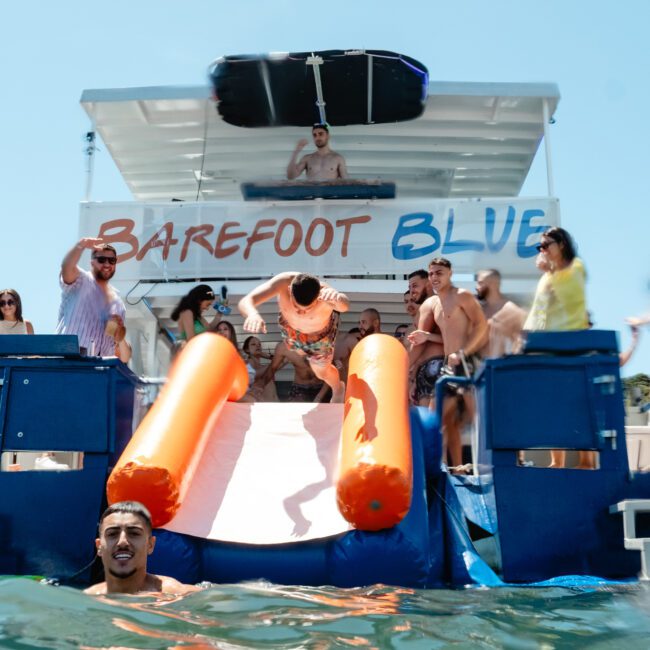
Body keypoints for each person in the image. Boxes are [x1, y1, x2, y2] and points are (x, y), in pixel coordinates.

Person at [409, 258, 488, 470]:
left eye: (440, 273)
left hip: (468, 360)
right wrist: (427, 337)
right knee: (437, 417)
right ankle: (440, 467)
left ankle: (487, 465)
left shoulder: (461, 295)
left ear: (450, 273)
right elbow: (446, 337)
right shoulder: (434, 304)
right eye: (432, 273)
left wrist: (464, 352)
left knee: (478, 416)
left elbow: (482, 327)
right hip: (448, 364)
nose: (435, 277)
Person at [524, 227, 589, 468]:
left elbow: (572, 300)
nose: (542, 251)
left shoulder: (575, 268)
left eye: (545, 245)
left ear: (561, 244)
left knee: (574, 408)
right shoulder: (548, 275)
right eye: (538, 247)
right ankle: (556, 461)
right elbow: (539, 312)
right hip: (544, 346)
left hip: (567, 346)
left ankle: (585, 462)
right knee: (551, 407)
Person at [238, 272, 349, 403]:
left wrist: (339, 298)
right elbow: (246, 301)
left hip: (318, 337)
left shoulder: (325, 294)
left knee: (321, 372)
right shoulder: (283, 283)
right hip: (291, 331)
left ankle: (338, 388)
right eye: (296, 306)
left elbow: (345, 306)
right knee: (296, 353)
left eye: (307, 310)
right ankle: (303, 350)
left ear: (317, 297)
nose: (300, 312)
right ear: (290, 290)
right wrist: (252, 314)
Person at [85, 501, 198, 596]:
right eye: (112, 534)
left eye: (134, 533)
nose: (122, 542)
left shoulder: (174, 594)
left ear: (150, 545)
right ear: (99, 546)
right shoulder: (89, 599)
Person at [56, 238, 131, 363]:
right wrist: (81, 245)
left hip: (99, 371)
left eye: (111, 260)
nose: (107, 264)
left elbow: (123, 356)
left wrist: (118, 333)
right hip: (67, 363)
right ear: (92, 262)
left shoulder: (118, 304)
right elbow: (66, 267)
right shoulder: (81, 280)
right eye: (101, 260)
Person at [475, 269, 526, 358]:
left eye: (480, 283)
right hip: (478, 368)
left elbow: (522, 341)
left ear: (493, 284)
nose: (476, 287)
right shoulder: (478, 310)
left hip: (502, 367)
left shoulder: (513, 311)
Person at [259, 340, 325, 402]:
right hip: (299, 388)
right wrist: (259, 388)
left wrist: (319, 396)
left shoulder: (323, 343)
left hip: (321, 387)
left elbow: (332, 371)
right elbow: (272, 369)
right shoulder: (284, 347)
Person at [242, 335, 278, 401]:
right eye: (253, 344)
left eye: (259, 344)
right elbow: (254, 374)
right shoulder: (246, 365)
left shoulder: (262, 366)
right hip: (260, 406)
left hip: (273, 404)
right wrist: (274, 360)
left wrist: (267, 356)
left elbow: (279, 360)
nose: (258, 346)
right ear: (247, 349)